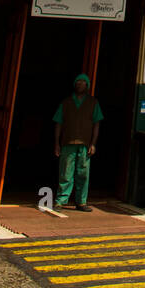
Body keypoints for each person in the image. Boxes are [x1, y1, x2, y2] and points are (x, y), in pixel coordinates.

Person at [53, 73, 103, 211]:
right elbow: (58, 123)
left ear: (87, 86)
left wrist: (93, 143)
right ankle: (61, 200)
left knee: (83, 174)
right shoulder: (66, 102)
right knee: (65, 173)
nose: (80, 85)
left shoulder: (93, 103)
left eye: (83, 83)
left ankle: (81, 202)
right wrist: (56, 143)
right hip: (67, 143)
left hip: (85, 144)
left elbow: (96, 124)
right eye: (78, 82)